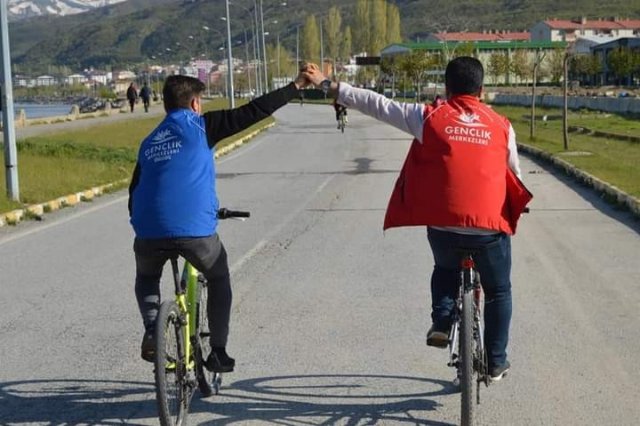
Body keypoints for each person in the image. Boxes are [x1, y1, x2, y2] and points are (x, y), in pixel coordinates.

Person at [302, 57, 532, 382]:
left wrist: (329, 84)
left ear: (446, 88)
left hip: (444, 226)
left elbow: (377, 104)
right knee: (499, 292)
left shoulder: (429, 116)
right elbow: (514, 176)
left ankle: (441, 321)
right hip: (487, 230)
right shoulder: (502, 125)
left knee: (445, 267)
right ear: (482, 90)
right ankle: (495, 361)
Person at [128, 72, 309, 372]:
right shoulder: (203, 126)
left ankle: (151, 330)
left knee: (147, 277)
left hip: (147, 230)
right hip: (194, 232)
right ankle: (218, 352)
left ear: (166, 105)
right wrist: (297, 86)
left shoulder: (149, 142)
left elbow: (135, 190)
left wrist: (143, 223)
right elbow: (256, 110)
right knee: (218, 275)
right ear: (196, 103)